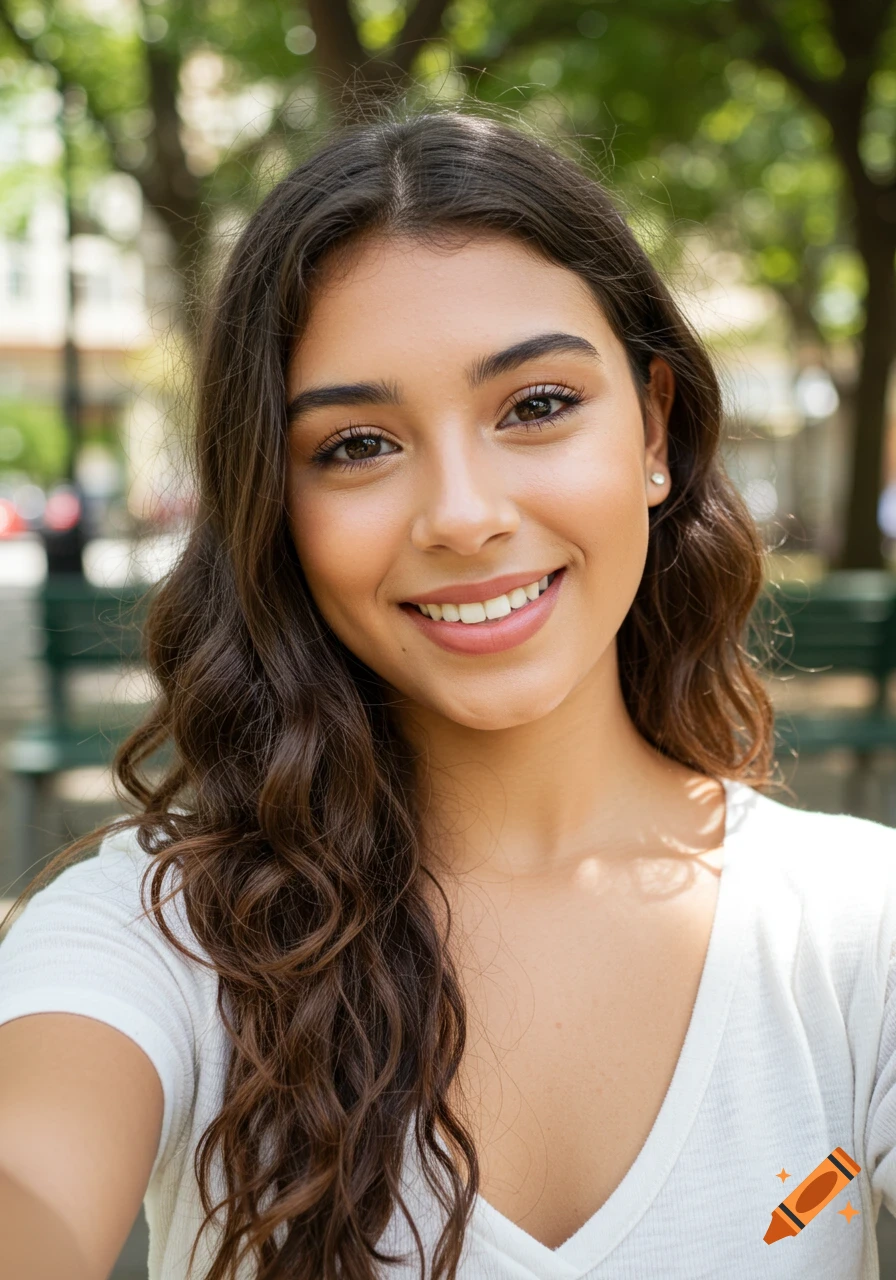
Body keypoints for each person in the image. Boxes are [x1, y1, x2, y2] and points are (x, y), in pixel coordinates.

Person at [0, 105, 894, 1280]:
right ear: (275, 503)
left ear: (653, 429)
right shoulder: (155, 936)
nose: (464, 514)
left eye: (535, 406)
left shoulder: (856, 928)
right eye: (357, 443)